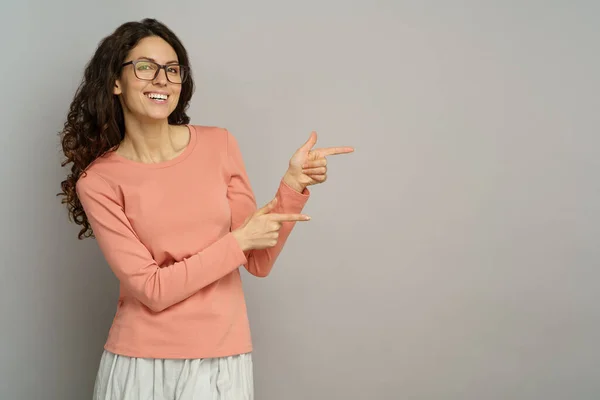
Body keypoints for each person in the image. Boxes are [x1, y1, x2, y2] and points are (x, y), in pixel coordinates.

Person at [58, 18, 353, 400]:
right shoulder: (98, 181)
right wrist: (237, 242)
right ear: (115, 81)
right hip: (141, 365)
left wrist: (293, 186)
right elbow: (152, 289)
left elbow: (258, 260)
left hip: (221, 361)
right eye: (145, 67)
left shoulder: (220, 146)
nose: (161, 79)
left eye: (172, 69)